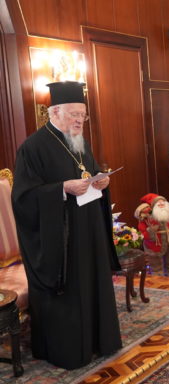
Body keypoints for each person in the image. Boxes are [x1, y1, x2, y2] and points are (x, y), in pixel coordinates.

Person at [11, 81, 122, 369]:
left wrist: (102, 181)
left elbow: (89, 172)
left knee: (92, 283)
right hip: (60, 239)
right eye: (74, 114)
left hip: (88, 231)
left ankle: (98, 341)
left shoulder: (79, 142)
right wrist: (61, 189)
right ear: (54, 113)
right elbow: (23, 198)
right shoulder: (32, 148)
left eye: (83, 115)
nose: (79, 120)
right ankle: (69, 350)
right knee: (70, 291)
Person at [135, 193, 169, 277]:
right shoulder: (147, 217)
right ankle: (157, 274)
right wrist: (151, 231)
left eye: (163, 201)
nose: (161, 203)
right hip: (155, 244)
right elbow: (143, 231)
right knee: (155, 262)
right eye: (158, 202)